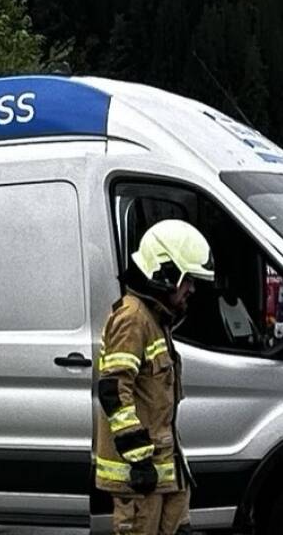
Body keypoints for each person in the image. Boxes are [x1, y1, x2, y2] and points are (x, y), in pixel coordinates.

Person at [95, 219, 214, 535]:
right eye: (188, 280)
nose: (192, 289)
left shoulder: (155, 318)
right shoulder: (133, 318)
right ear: (164, 272)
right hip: (142, 478)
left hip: (164, 472)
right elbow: (113, 390)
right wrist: (140, 461)